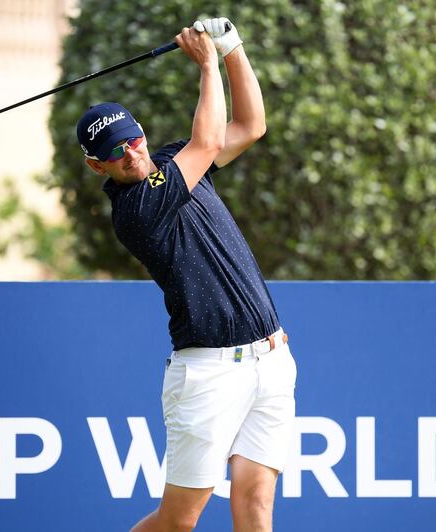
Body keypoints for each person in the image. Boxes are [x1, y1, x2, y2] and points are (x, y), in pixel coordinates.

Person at [75, 18, 297, 532]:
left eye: (131, 140)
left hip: (269, 358)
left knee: (256, 502)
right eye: (113, 153)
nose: (128, 153)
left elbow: (249, 127)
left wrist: (232, 48)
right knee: (179, 520)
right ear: (96, 167)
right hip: (208, 372)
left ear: (141, 134)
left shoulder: (173, 160)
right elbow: (209, 138)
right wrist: (205, 64)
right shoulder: (134, 209)